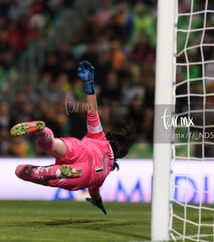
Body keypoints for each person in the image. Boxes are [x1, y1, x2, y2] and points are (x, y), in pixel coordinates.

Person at [11, 60, 136, 214]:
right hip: (84, 173)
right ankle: (55, 172)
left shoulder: (100, 138)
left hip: (80, 149)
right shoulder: (105, 171)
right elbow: (94, 192)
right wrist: (98, 202)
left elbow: (92, 111)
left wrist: (89, 84)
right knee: (22, 172)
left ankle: (42, 132)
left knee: (50, 145)